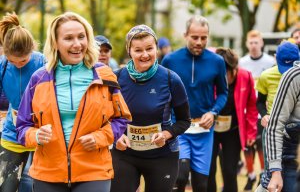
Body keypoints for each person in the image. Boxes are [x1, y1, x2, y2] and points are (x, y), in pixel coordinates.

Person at [16, 12, 131, 192]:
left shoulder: (104, 74)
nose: (77, 44)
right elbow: (22, 127)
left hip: (94, 171)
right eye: (68, 38)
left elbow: (121, 119)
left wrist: (99, 138)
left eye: (81, 37)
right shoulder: (38, 79)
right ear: (55, 42)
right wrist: (36, 135)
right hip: (48, 172)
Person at [110, 24, 190, 192]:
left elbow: (184, 121)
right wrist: (115, 137)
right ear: (129, 51)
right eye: (138, 50)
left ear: (156, 49)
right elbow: (105, 117)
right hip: (125, 154)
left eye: (149, 48)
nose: (145, 55)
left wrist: (166, 134)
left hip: (162, 155)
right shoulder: (115, 79)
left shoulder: (171, 79)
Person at [162, 15, 228, 192]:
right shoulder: (170, 60)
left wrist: (213, 112)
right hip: (179, 127)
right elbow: (162, 92)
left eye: (204, 38)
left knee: (201, 185)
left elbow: (223, 92)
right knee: (180, 177)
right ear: (185, 35)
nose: (199, 42)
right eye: (195, 37)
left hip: (204, 130)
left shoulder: (217, 62)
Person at [0, 12, 45, 192]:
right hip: (13, 130)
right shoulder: (2, 65)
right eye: (13, 61)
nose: (18, 65)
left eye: (23, 61)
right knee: (5, 186)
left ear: (32, 49)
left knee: (36, 186)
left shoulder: (44, 62)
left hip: (42, 132)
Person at [207, 47, 258, 192]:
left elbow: (252, 106)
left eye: (227, 73)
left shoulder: (245, 77)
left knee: (230, 171)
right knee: (209, 170)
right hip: (211, 130)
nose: (224, 78)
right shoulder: (210, 77)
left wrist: (251, 132)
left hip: (233, 131)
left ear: (234, 68)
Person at [255, 41, 300, 192]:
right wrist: (264, 116)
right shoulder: (268, 75)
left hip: (292, 129)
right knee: (270, 179)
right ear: (275, 58)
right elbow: (259, 102)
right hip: (278, 130)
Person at [239, 29, 276, 191]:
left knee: (261, 143)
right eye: (251, 42)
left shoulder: (269, 62)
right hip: (246, 111)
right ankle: (250, 174)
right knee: (247, 146)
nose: (254, 45)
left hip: (262, 109)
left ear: (261, 43)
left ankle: (262, 173)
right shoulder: (242, 62)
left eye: (256, 42)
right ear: (247, 44)